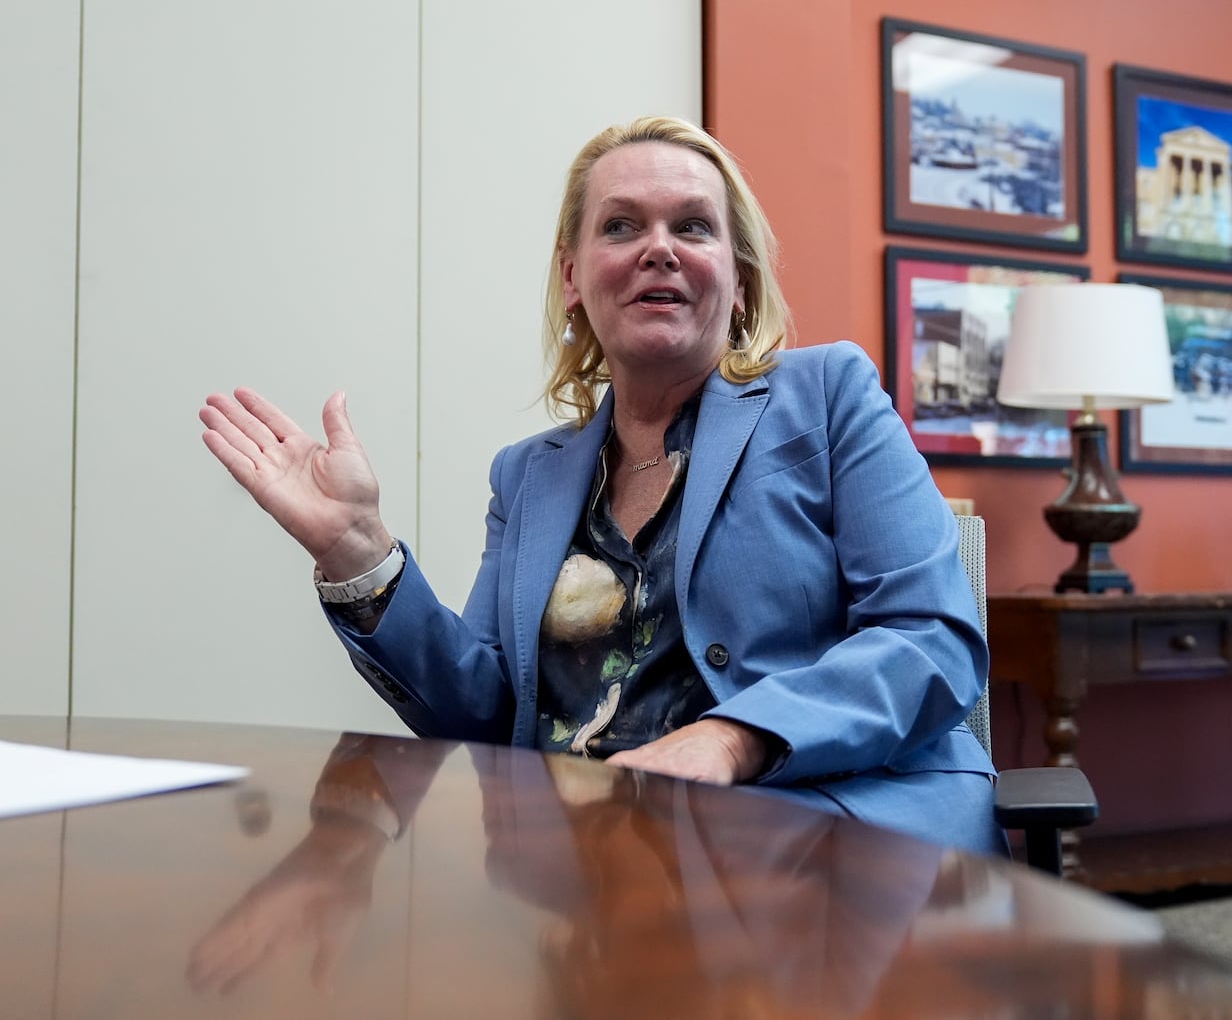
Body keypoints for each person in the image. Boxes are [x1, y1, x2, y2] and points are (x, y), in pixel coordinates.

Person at [198, 115, 1001, 855]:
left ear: (740, 277)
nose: (660, 248)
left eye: (693, 225)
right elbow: (481, 709)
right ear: (575, 276)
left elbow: (932, 636)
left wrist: (730, 738)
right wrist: (359, 553)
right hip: (586, 872)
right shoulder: (528, 475)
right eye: (623, 225)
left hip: (816, 840)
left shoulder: (828, 398)